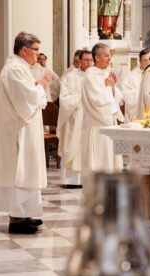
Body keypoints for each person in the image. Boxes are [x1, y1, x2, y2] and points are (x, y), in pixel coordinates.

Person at [0, 32, 52, 234]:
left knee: (26, 171)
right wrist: (40, 85)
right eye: (36, 50)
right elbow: (27, 98)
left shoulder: (20, 68)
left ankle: (24, 214)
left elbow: (27, 94)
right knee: (20, 172)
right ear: (24, 50)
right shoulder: (14, 69)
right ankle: (16, 219)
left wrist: (37, 86)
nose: (38, 55)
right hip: (18, 132)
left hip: (23, 129)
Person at [81, 43, 124, 178]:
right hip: (98, 125)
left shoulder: (106, 73)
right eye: (106, 56)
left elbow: (116, 97)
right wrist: (107, 87)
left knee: (111, 162)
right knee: (100, 162)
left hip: (109, 123)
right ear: (97, 57)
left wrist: (111, 88)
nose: (109, 59)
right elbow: (96, 101)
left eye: (109, 56)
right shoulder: (90, 75)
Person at [57, 50, 93, 188]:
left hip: (90, 119)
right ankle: (72, 180)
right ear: (79, 61)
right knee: (74, 147)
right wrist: (81, 98)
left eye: (91, 60)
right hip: (75, 118)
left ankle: (88, 179)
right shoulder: (70, 77)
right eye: (86, 60)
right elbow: (64, 100)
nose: (89, 63)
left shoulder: (96, 77)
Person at [120, 48, 150, 122]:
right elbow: (125, 96)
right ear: (140, 62)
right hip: (135, 117)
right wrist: (144, 93)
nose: (148, 63)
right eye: (145, 60)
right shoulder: (131, 77)